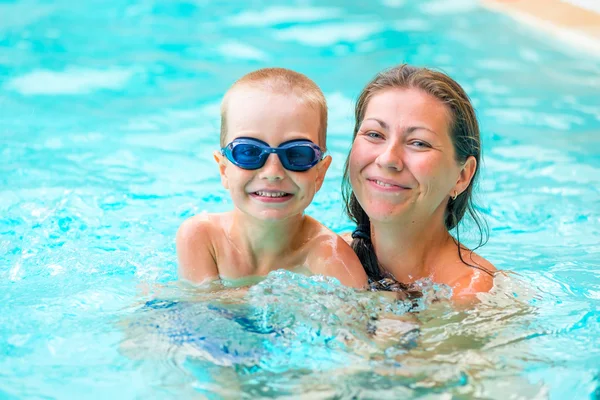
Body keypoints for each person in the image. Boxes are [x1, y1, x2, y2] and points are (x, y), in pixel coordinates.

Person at [177, 67, 368, 289]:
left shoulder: (331, 258)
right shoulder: (201, 237)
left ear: (320, 173)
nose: (273, 172)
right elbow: (199, 313)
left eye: (297, 154)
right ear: (223, 169)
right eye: (248, 152)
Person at [342, 64, 496, 300]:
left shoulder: (477, 297)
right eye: (374, 134)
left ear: (462, 176)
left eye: (419, 143)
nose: (388, 159)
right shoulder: (324, 257)